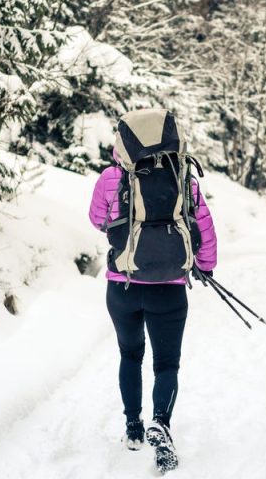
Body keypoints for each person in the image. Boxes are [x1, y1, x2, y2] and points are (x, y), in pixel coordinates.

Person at [88, 126, 217, 473]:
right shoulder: (182, 177)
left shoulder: (111, 177)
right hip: (169, 287)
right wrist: (205, 266)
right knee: (167, 364)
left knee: (130, 355)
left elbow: (98, 220)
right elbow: (204, 224)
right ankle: (161, 422)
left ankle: (133, 427)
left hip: (124, 285)